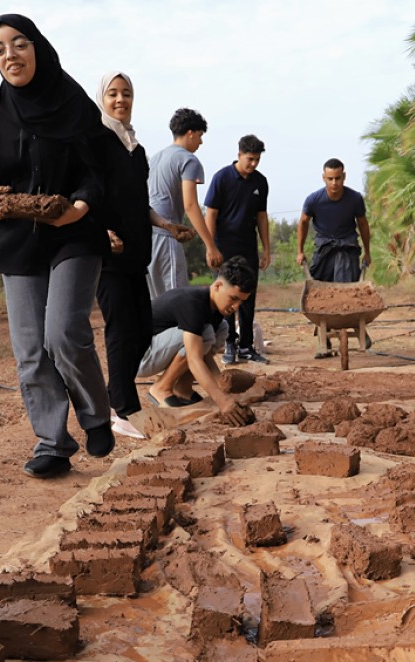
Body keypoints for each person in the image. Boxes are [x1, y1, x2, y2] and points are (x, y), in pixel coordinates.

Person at [0, 14, 115, 479]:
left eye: (19, 43)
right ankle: (52, 441)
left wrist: (81, 207)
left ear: (38, 48)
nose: (10, 54)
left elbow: (100, 170)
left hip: (72, 233)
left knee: (63, 333)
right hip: (16, 241)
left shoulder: (74, 106)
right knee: (31, 350)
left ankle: (95, 416)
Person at [94, 72, 194, 442]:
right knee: (120, 331)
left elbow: (139, 204)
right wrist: (99, 232)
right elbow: (90, 196)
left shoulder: (134, 148)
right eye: (113, 94)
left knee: (139, 330)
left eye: (127, 94)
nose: (121, 100)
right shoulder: (97, 142)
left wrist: (166, 225)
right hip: (109, 256)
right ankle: (120, 409)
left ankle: (119, 397)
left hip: (137, 254)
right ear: (101, 98)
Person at [137, 256, 255, 427]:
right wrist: (222, 401)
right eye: (233, 298)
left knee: (221, 329)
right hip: (137, 357)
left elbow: (203, 355)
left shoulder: (215, 312)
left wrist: (222, 391)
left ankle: (183, 390)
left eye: (241, 302)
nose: (236, 307)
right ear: (218, 286)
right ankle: (161, 388)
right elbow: (194, 359)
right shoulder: (193, 304)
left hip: (155, 349)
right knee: (205, 334)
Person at [204, 135, 272, 365]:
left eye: (257, 160)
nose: (253, 164)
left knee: (247, 297)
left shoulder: (260, 183)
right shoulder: (222, 178)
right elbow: (210, 214)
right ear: (239, 154)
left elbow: (262, 218)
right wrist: (210, 247)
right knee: (226, 297)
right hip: (224, 248)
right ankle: (229, 343)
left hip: (248, 248)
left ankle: (246, 345)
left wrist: (266, 250)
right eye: (250, 159)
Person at [146, 108, 220, 297]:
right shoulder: (188, 160)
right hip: (167, 236)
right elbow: (190, 205)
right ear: (190, 133)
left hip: (147, 236)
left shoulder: (155, 159)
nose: (201, 141)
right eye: (200, 135)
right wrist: (210, 247)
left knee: (155, 304)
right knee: (176, 302)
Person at [296, 158, 372, 282]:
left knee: (348, 281)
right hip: (324, 244)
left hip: (348, 244)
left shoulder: (355, 199)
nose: (334, 183)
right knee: (319, 281)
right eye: (330, 179)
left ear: (344, 176)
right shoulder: (314, 200)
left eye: (338, 178)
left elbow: (363, 224)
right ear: (323, 178)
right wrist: (300, 251)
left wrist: (367, 253)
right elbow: (303, 222)